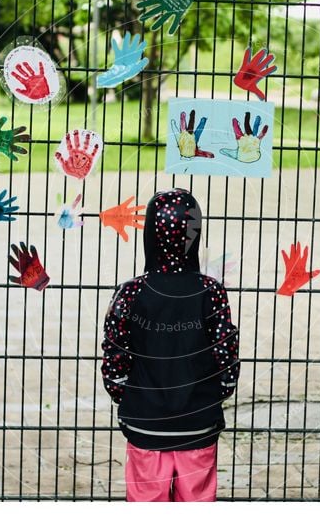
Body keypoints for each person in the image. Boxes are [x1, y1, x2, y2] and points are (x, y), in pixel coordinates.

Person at [100, 188, 240, 502]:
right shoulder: (211, 292)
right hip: (198, 423)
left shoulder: (130, 293)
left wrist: (128, 397)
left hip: (146, 423)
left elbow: (114, 357)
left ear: (149, 234)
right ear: (195, 235)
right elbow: (226, 357)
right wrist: (215, 394)